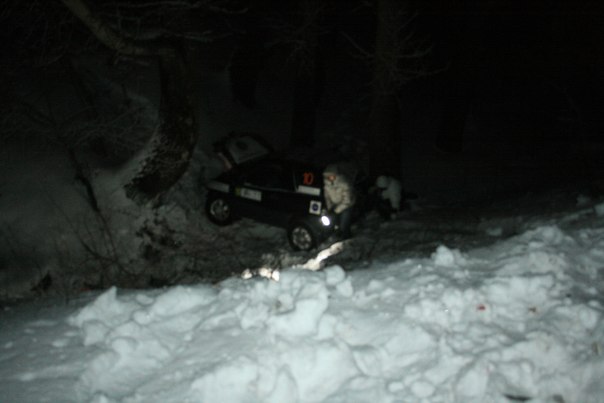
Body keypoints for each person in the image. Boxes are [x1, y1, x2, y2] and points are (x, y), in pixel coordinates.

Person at [323, 164, 356, 240]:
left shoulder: (344, 183)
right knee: (332, 220)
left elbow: (347, 200)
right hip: (336, 204)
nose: (330, 177)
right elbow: (327, 198)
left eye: (332, 175)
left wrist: (336, 211)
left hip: (347, 205)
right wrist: (330, 209)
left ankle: (347, 237)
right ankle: (337, 233)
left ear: (336, 175)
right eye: (328, 176)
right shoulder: (326, 186)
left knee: (344, 223)